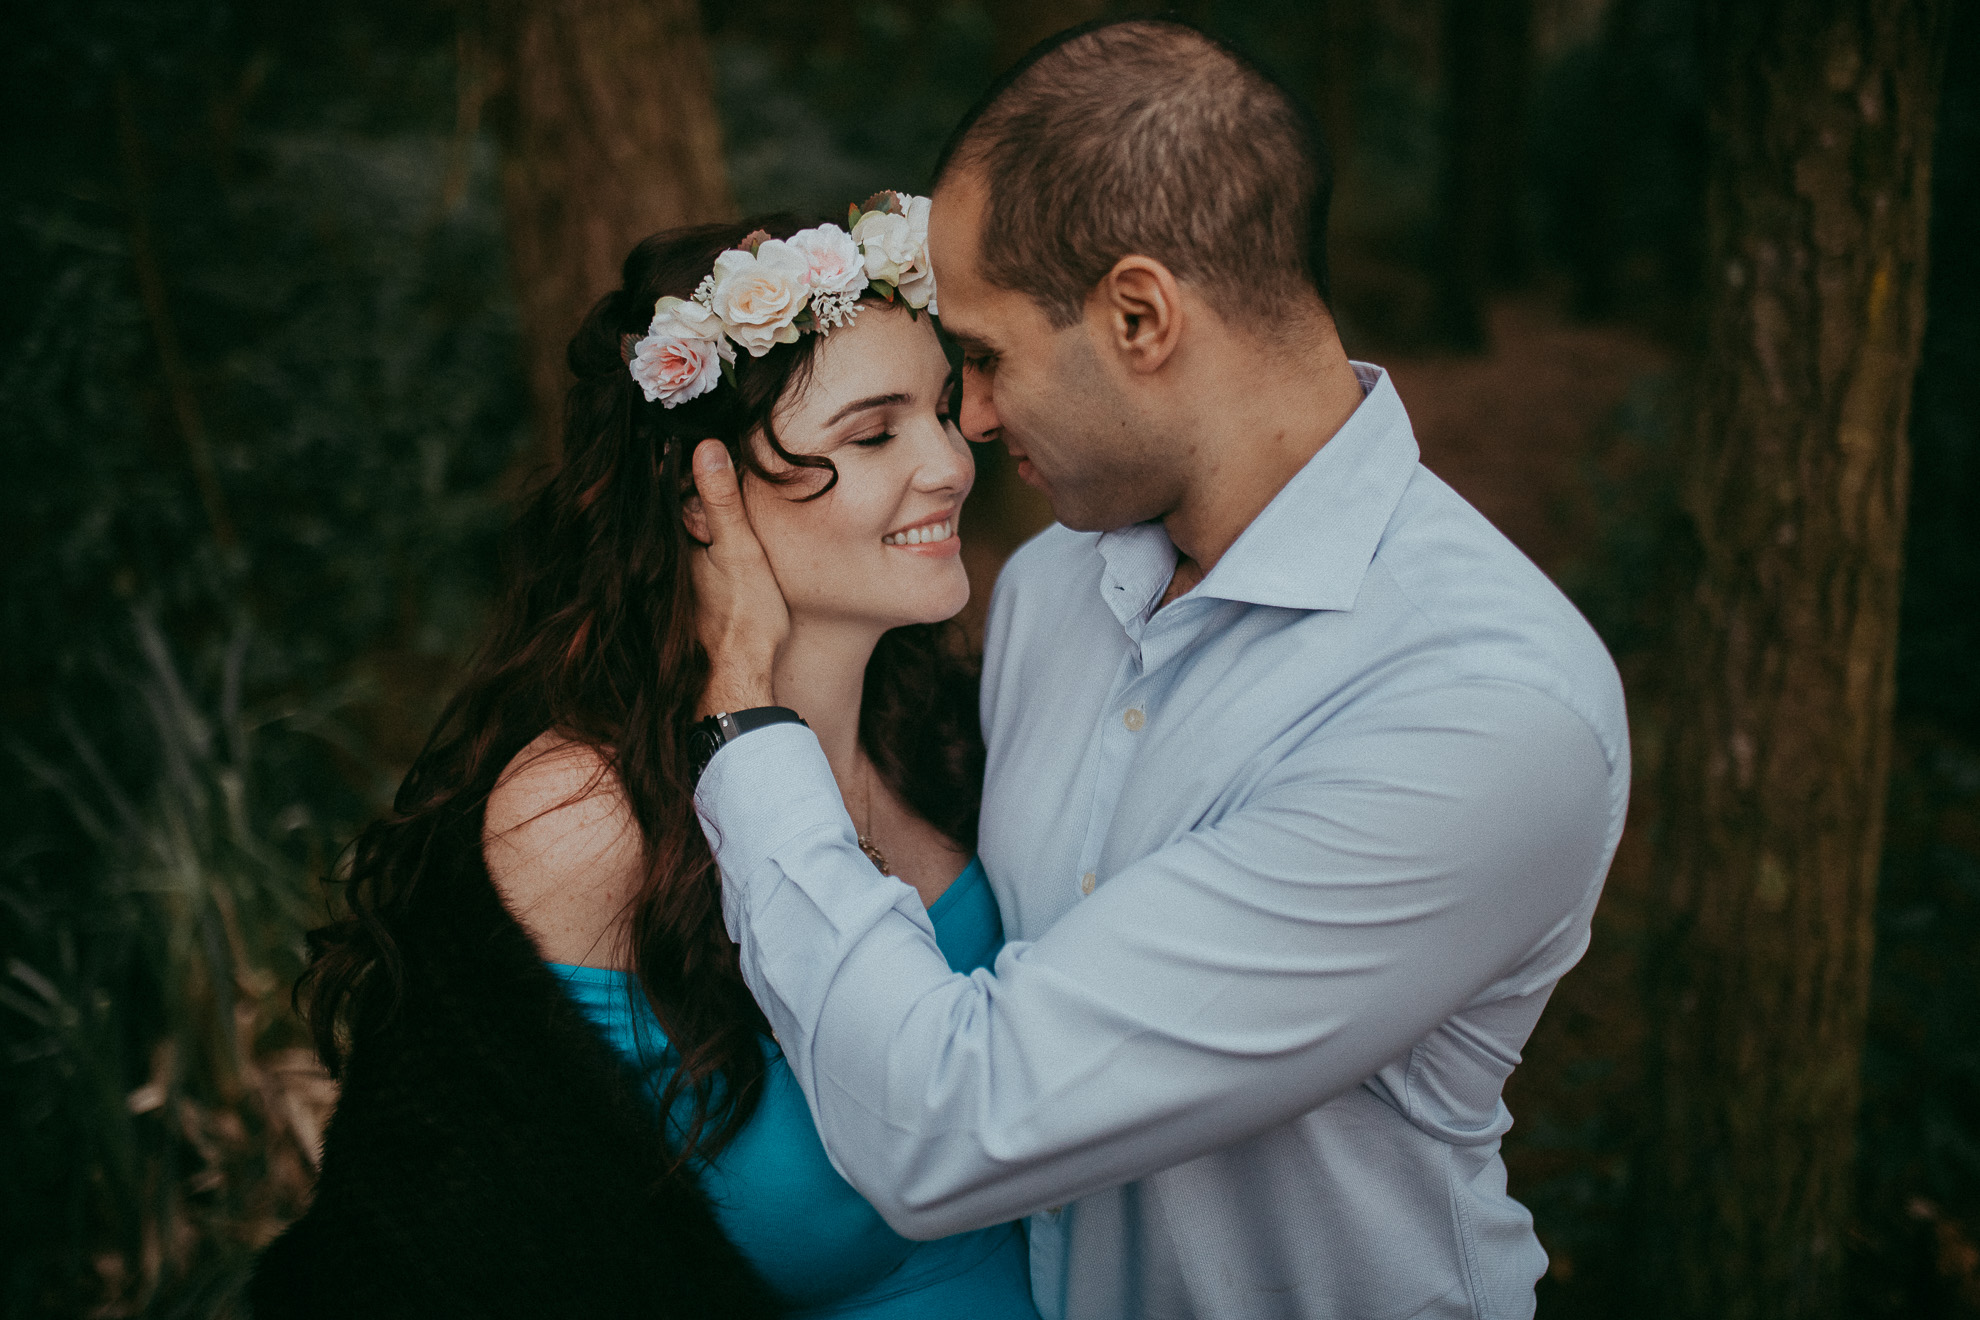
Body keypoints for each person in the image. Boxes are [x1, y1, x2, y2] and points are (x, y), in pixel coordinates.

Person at [685, 20, 1631, 1320]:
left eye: (989, 355)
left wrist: (752, 729)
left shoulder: (1482, 706)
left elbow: (960, 1124)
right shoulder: (1052, 587)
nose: (969, 417)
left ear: (1140, 316)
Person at [253, 202, 1040, 1320]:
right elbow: (451, 1248)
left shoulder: (955, 735)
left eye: (945, 412)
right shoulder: (584, 818)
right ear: (699, 493)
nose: (951, 465)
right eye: (875, 434)